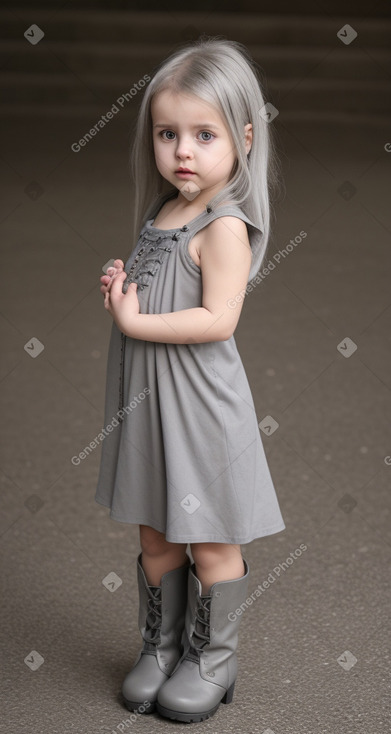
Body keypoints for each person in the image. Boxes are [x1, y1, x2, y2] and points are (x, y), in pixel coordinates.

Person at [95, 35, 286, 723]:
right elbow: (156, 293)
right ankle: (160, 644)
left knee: (209, 536)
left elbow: (215, 320)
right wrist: (124, 291)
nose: (182, 151)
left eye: (203, 135)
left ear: (241, 138)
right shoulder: (161, 215)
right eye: (167, 133)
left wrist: (134, 324)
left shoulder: (223, 227)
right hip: (148, 406)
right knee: (155, 530)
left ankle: (213, 657)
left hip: (200, 409)